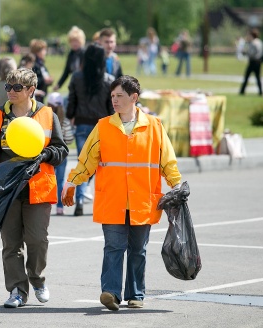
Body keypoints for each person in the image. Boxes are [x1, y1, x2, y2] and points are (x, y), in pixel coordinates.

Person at [62, 75, 182, 311]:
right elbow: (87, 160)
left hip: (142, 200)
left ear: (133, 97)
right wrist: (72, 182)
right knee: (113, 247)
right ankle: (110, 293)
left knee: (138, 249)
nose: (114, 101)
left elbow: (167, 160)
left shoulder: (154, 127)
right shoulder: (103, 126)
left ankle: (135, 294)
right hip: (113, 199)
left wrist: (176, 184)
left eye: (119, 96)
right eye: (112, 96)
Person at [0, 68, 68, 308]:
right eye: (8, 87)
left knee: (37, 240)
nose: (11, 92)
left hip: (38, 188)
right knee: (11, 244)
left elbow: (61, 150)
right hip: (5, 192)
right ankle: (17, 289)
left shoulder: (48, 115)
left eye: (17, 88)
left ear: (30, 90)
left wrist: (46, 153)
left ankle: (37, 279)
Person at [66, 43, 114, 216]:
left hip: (82, 124)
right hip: (102, 126)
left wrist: (70, 114)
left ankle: (79, 198)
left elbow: (71, 101)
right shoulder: (109, 80)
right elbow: (112, 108)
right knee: (98, 166)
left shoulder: (77, 77)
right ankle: (95, 197)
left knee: (83, 164)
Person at [47, 92, 73, 216]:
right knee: (60, 180)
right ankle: (60, 207)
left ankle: (45, 203)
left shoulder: (45, 118)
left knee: (47, 179)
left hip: (48, 154)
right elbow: (69, 139)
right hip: (62, 155)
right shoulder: (65, 121)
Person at [53, 26, 85, 91]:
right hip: (74, 84)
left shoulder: (85, 54)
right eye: (72, 41)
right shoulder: (71, 54)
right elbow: (67, 71)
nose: (74, 43)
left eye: (76, 41)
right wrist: (58, 85)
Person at [239, 29, 263, 96]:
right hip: (259, 62)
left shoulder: (253, 43)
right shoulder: (260, 42)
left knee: (246, 77)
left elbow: (251, 53)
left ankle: (242, 91)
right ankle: (261, 92)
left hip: (253, 62)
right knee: (258, 78)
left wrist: (245, 52)